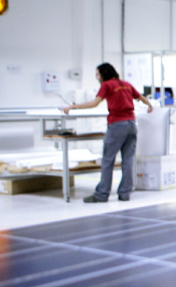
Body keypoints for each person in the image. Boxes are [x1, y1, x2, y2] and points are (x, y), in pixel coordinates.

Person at [61, 63, 154, 202]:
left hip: (117, 125)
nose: (97, 77)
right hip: (131, 124)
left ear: (104, 73)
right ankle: (124, 193)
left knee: (108, 160)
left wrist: (73, 107)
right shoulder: (126, 84)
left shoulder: (107, 85)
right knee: (128, 160)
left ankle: (102, 194)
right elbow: (141, 97)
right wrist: (150, 105)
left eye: (98, 74)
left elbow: (94, 103)